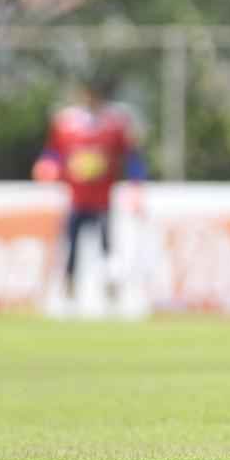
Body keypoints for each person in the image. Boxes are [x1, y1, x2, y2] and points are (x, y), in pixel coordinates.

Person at [32, 71, 147, 305]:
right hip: (76, 199)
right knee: (71, 245)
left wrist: (136, 185)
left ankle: (110, 288)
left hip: (103, 199)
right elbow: (52, 151)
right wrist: (47, 164)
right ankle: (69, 289)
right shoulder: (66, 123)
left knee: (107, 246)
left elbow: (132, 157)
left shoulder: (116, 123)